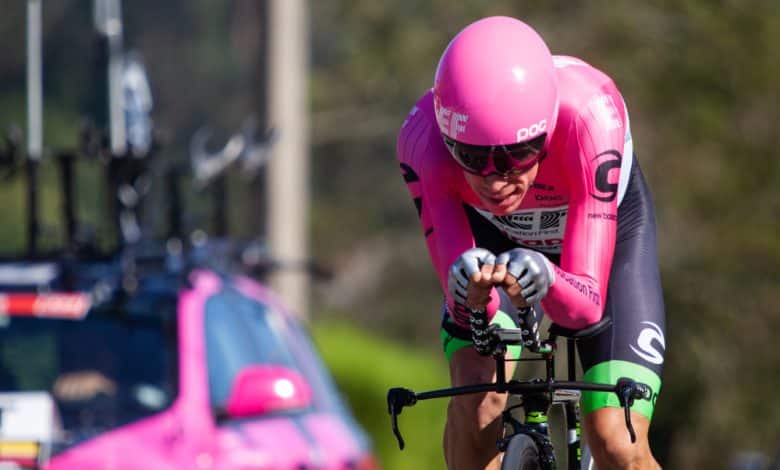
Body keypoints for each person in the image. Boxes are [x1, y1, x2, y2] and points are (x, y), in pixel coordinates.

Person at [397, 16, 665, 469]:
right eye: (473, 157)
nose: (496, 180)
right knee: (476, 410)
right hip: (497, 244)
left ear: (546, 133)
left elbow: (584, 307)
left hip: (605, 248)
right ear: (448, 139)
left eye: (518, 156)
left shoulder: (588, 118)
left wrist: (547, 275)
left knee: (618, 441)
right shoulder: (422, 142)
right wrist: (469, 292)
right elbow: (468, 317)